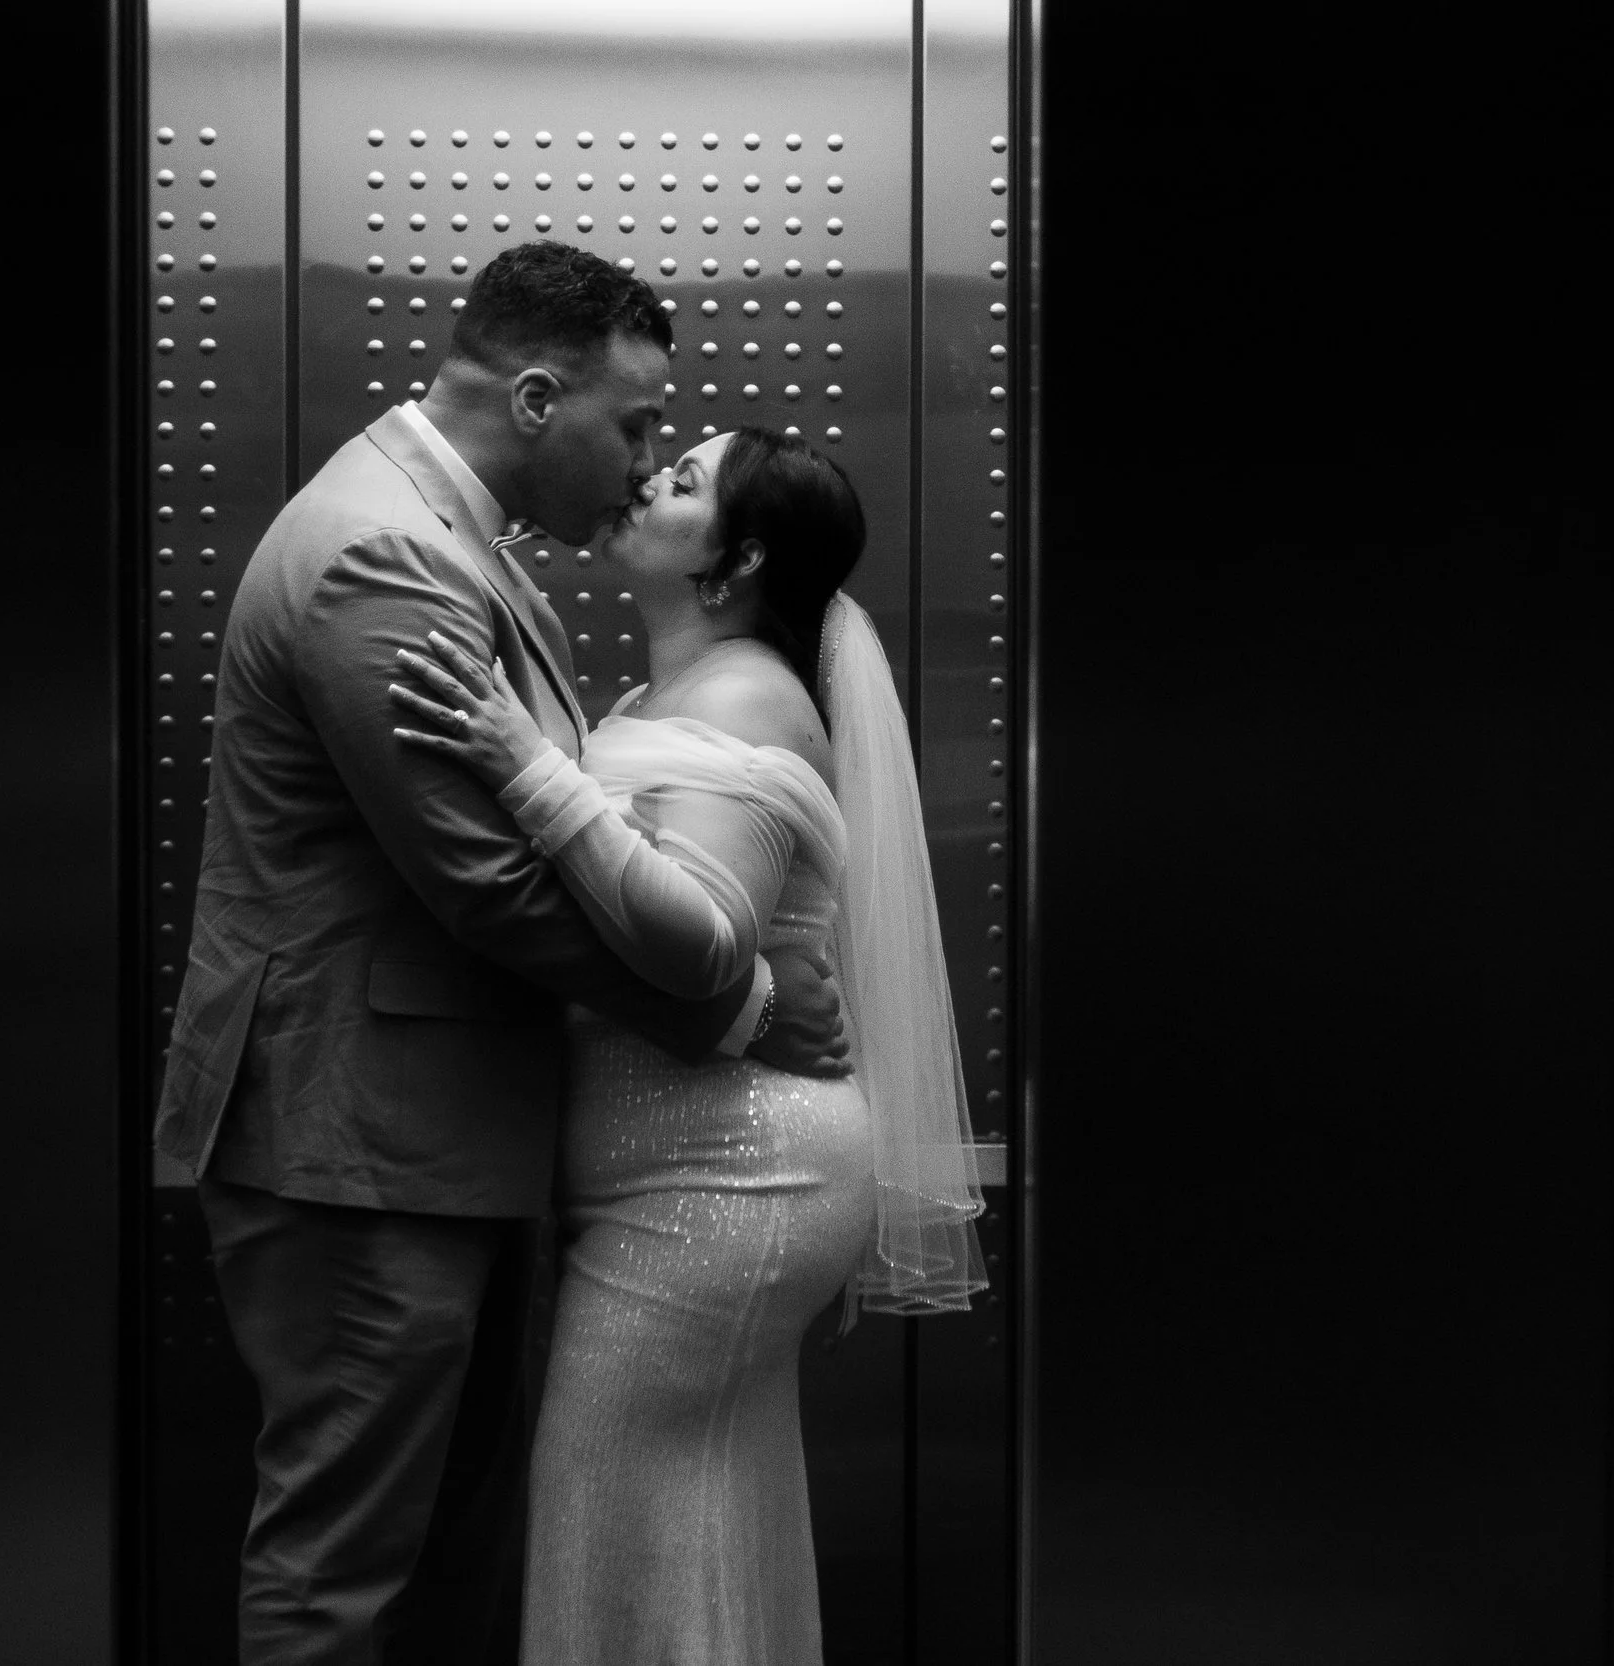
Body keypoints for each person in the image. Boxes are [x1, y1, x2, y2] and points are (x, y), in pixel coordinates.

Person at [152, 243, 850, 1665]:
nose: (644, 462)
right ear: (537, 399)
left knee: (439, 1567)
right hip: (357, 1141)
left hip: (431, 1143)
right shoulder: (384, 551)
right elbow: (489, 884)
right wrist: (738, 1003)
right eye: (635, 425)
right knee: (345, 1575)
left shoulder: (454, 540)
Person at [390, 426, 988, 1664]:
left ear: (738, 559)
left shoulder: (745, 693)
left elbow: (699, 939)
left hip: (728, 1181)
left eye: (684, 480)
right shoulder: (656, 699)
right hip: (687, 1181)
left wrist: (520, 763)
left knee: (604, 1508)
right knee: (686, 1525)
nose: (647, 479)